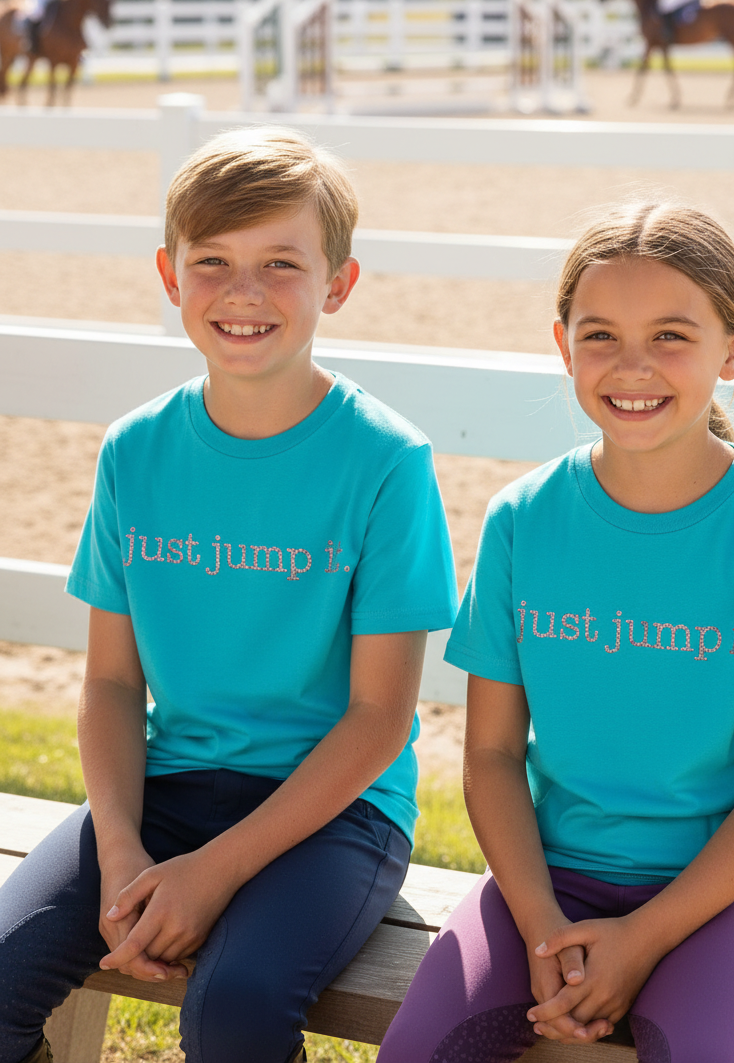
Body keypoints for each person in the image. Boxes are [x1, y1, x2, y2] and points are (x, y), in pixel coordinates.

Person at [0, 127, 458, 1063]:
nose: (243, 291)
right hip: (165, 789)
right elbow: (112, 684)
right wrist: (121, 850)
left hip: (334, 813)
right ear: (170, 276)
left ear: (338, 284)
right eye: (212, 261)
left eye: (281, 263)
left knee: (233, 1009)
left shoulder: (386, 461)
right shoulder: (136, 449)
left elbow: (380, 719)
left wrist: (211, 873)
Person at [377, 201, 734, 1063]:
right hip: (547, 878)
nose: (632, 365)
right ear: (563, 346)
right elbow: (491, 755)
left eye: (671, 335)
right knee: (418, 1051)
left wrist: (642, 939)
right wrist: (539, 925)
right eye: (600, 335)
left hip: (725, 896)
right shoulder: (522, 519)